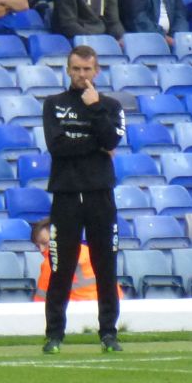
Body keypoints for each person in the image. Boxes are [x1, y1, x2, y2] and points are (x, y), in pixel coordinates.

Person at [40, 45, 124, 354]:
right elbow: (57, 146)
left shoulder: (110, 106)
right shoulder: (54, 104)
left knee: (106, 267)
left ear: (96, 71)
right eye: (76, 69)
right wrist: (96, 144)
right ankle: (54, 335)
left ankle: (108, 334)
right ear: (68, 69)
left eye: (87, 69)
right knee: (61, 267)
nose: (81, 75)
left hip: (101, 194)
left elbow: (112, 139)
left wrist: (95, 108)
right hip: (65, 195)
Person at [31, 218, 99, 303]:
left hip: (76, 313)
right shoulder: (92, 252)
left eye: (44, 243)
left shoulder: (51, 262)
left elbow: (40, 302)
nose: (41, 249)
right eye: (38, 246)